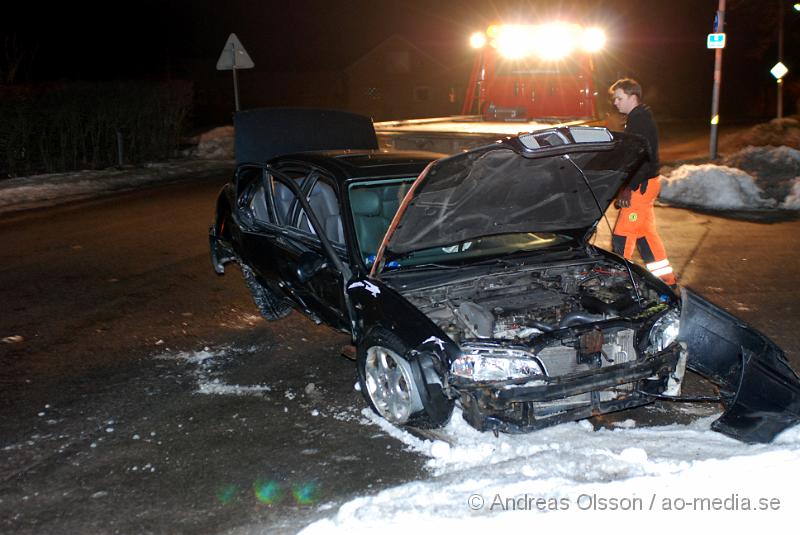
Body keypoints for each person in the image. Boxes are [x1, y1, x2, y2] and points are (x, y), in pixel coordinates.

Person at [609, 78, 676, 287]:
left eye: (619, 98)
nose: (615, 103)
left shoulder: (640, 121)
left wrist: (628, 187)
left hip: (641, 185)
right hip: (646, 183)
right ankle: (666, 279)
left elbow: (641, 158)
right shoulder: (638, 118)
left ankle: (618, 283)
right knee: (645, 234)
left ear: (632, 96)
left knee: (624, 233)